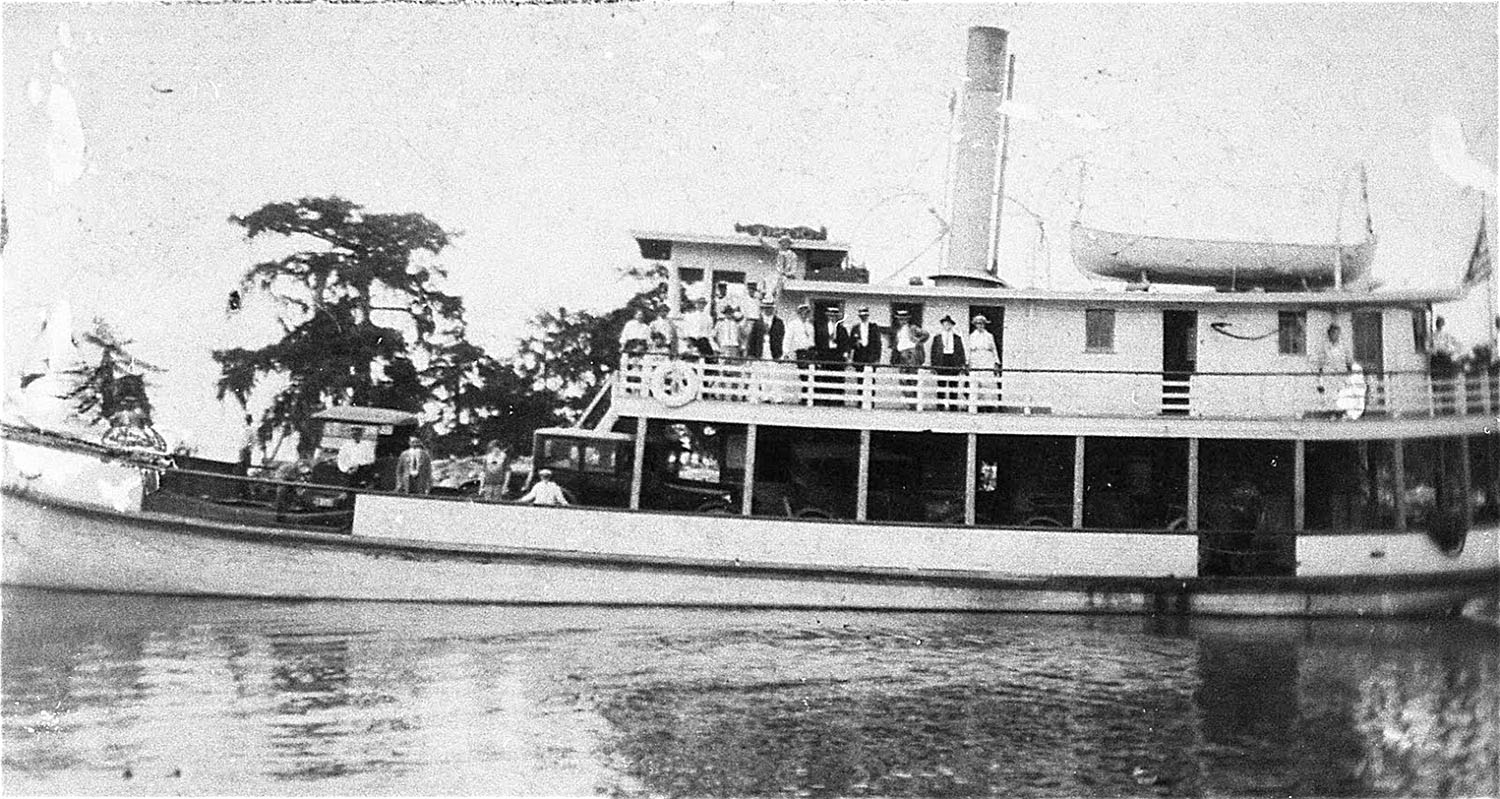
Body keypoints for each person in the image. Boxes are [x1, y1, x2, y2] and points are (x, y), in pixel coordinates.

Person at [746, 299, 788, 402]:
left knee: (774, 374)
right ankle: (761, 397)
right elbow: (752, 339)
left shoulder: (779, 322)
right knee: (758, 374)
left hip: (773, 350)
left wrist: (783, 352)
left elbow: (783, 338)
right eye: (765, 308)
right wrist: (751, 354)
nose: (767, 310)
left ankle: (776, 397)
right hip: (760, 350)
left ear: (773, 309)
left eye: (770, 308)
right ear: (762, 309)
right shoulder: (757, 323)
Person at [813, 305, 851, 406]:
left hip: (837, 356)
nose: (832, 317)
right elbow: (817, 341)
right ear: (827, 316)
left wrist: (846, 355)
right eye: (830, 315)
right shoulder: (821, 328)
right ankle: (824, 400)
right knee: (824, 378)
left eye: (834, 315)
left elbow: (846, 343)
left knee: (838, 379)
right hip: (825, 355)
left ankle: (838, 401)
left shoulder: (841, 329)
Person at [891, 309, 929, 405]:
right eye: (900, 319)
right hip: (902, 355)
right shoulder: (898, 331)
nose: (902, 321)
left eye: (904, 319)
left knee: (912, 377)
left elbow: (926, 334)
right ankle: (908, 401)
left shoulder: (913, 328)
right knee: (903, 378)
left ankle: (914, 402)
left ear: (907, 320)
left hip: (911, 354)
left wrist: (917, 341)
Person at [929, 315, 967, 410]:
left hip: (953, 360)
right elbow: (933, 352)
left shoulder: (957, 338)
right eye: (945, 323)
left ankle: (953, 405)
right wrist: (933, 366)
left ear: (952, 325)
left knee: (953, 384)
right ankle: (940, 405)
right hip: (941, 361)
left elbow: (961, 351)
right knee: (941, 384)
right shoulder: (937, 338)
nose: (947, 326)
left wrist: (961, 364)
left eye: (949, 324)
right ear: (942, 325)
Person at [968, 314, 1000, 409]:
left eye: (982, 324)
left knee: (988, 383)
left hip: (987, 359)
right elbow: (968, 350)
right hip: (976, 360)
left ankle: (989, 406)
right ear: (975, 325)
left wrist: (996, 362)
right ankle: (975, 406)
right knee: (975, 383)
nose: (980, 326)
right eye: (978, 324)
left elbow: (994, 349)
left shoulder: (989, 336)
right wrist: (968, 362)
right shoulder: (972, 336)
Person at [758, 235, 800, 303]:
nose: (783, 244)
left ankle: (770, 297)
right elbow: (769, 248)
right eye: (782, 242)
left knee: (776, 280)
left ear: (789, 244)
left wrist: (787, 273)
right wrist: (762, 241)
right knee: (767, 278)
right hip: (776, 274)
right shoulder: (778, 252)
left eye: (786, 243)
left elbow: (793, 269)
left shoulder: (792, 255)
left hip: (786, 276)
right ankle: (766, 296)